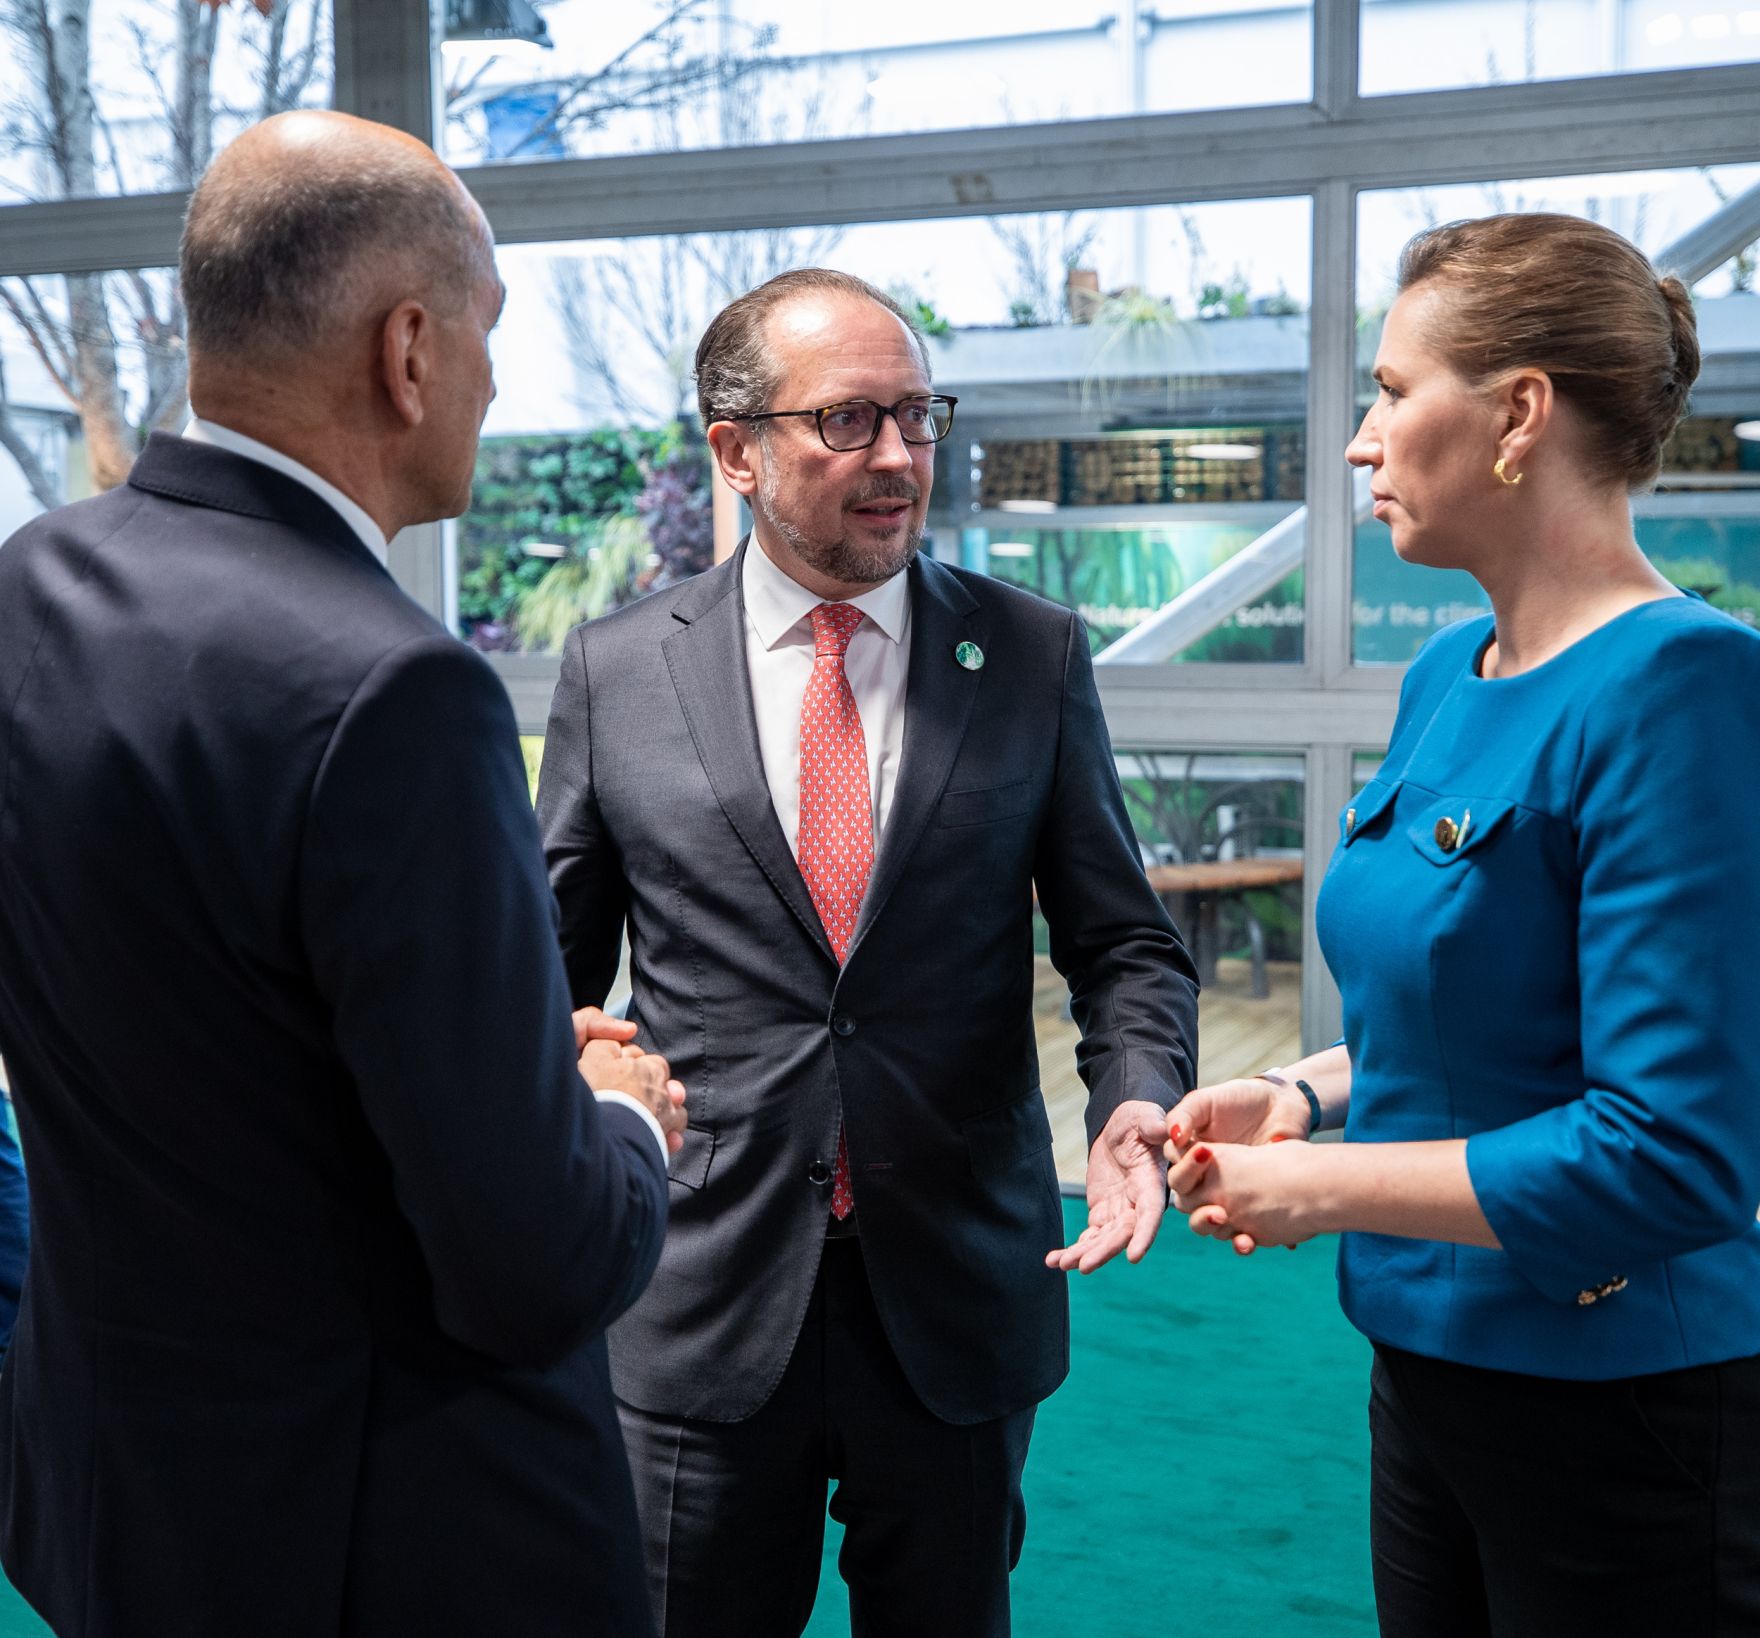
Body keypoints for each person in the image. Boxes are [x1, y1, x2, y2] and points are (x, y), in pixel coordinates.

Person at [0, 111, 686, 1637]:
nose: (499, 385)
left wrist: (497, 1068)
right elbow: (531, 1260)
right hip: (385, 1541)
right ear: (411, 351)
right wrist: (614, 1122)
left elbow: (204, 1007)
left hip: (123, 1490)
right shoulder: (395, 692)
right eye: (492, 336)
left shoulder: (30, 584)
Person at [536, 266, 1199, 1636]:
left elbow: (1122, 936)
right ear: (735, 449)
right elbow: (548, 964)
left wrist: (1139, 1092)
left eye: (917, 415)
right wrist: (561, 1089)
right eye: (848, 420)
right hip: (700, 1290)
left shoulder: (1028, 652)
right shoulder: (615, 670)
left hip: (955, 1289)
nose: (898, 456)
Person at [1164, 212, 1760, 1635]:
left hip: (1627, 1407)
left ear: (1519, 413)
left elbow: (1674, 1151)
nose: (1362, 443)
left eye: (1387, 392)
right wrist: (1297, 1095)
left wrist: (1325, 1188)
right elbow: (1468, 1007)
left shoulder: (1686, 689)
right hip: (1427, 1367)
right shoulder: (1452, 669)